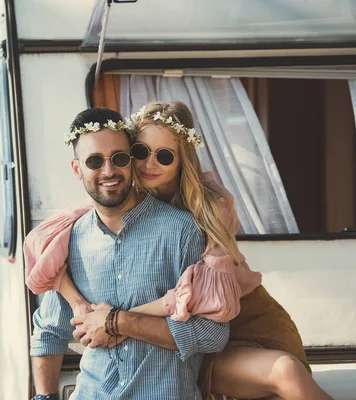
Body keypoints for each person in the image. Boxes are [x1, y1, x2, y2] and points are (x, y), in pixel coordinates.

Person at [25, 102, 332, 400]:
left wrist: (116, 321)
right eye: (141, 152)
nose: (148, 164)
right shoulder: (83, 225)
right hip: (112, 381)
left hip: (238, 314)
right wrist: (77, 304)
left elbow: (203, 316)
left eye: (164, 156)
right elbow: (49, 317)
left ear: (182, 160)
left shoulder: (204, 215)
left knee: (287, 373)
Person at [29, 107, 230, 399]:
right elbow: (48, 332)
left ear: (131, 162)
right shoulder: (70, 239)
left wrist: (120, 322)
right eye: (95, 161)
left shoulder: (182, 231)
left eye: (119, 159)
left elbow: (213, 334)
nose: (108, 171)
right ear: (77, 169)